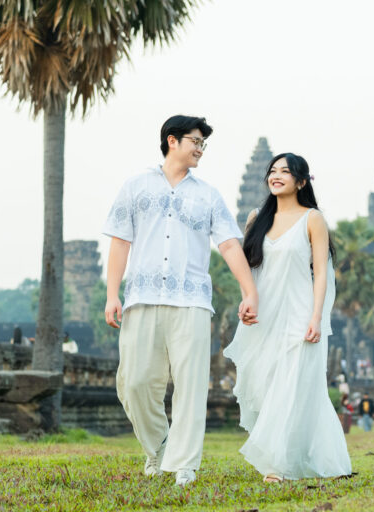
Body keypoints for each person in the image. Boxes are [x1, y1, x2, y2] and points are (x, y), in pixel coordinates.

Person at [103, 115, 259, 487]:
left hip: (191, 300)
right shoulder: (136, 186)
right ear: (172, 140)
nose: (200, 147)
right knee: (135, 383)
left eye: (204, 143)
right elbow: (120, 241)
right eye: (195, 140)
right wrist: (112, 294)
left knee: (190, 385)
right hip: (141, 297)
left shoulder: (208, 195)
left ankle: (184, 463)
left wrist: (249, 290)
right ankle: (160, 446)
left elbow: (228, 244)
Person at [223, 153, 351, 483]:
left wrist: (317, 317)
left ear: (301, 181)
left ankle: (275, 467)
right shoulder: (256, 219)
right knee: (266, 384)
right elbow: (250, 269)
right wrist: (245, 301)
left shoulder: (312, 219)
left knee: (291, 384)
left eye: (286, 171)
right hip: (264, 315)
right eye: (273, 171)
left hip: (299, 312)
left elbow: (321, 273)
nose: (276, 176)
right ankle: (299, 455)